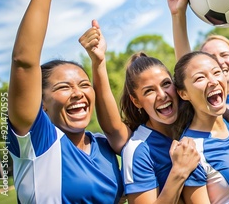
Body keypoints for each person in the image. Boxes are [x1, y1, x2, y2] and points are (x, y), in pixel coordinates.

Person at [7, 0, 123, 203]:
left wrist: (98, 62)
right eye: (63, 87)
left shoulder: (104, 146)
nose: (78, 94)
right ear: (42, 104)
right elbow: (24, 62)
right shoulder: (38, 141)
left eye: (84, 85)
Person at [79, 20, 200, 204]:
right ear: (136, 101)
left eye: (166, 84)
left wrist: (178, 14)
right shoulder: (138, 149)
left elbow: (191, 70)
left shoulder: (191, 121)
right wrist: (179, 172)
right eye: (149, 91)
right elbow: (112, 128)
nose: (162, 95)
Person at [172, 51, 229, 203]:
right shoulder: (191, 150)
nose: (213, 81)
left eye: (217, 72)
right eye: (200, 78)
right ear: (183, 94)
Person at [168, 0, 229, 133]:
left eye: (224, 55)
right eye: (211, 58)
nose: (219, 61)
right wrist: (177, 14)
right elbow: (185, 67)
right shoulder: (203, 99)